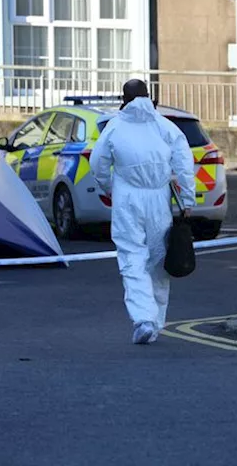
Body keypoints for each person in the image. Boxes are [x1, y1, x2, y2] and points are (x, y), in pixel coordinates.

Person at [89, 79, 196, 345]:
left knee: (131, 257)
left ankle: (143, 319)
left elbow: (98, 163)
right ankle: (156, 321)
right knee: (159, 261)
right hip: (158, 198)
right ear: (149, 97)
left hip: (127, 197)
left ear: (123, 100)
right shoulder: (164, 126)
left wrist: (109, 188)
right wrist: (187, 199)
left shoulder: (114, 127)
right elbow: (184, 162)